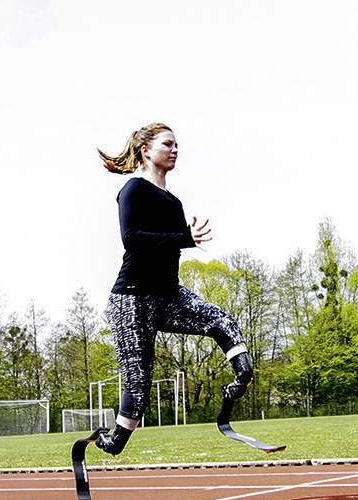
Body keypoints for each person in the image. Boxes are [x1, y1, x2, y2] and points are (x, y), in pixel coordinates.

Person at [90, 123, 253, 456]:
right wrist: (183, 238)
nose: (175, 149)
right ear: (146, 150)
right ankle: (114, 441)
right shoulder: (133, 189)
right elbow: (132, 238)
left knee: (221, 319)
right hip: (132, 299)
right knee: (138, 383)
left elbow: (175, 245)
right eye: (168, 143)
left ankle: (240, 379)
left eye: (178, 144)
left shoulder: (174, 203)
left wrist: (186, 237)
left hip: (168, 295)